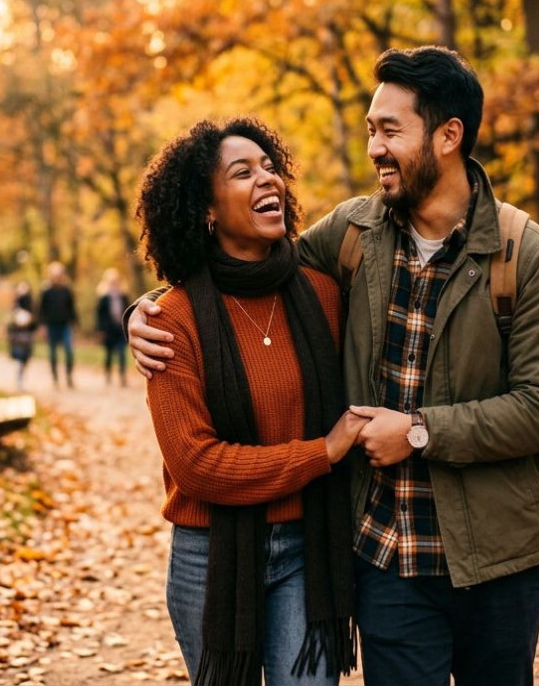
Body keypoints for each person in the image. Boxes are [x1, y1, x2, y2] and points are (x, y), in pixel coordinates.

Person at [129, 47, 539, 686]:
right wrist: (143, 311)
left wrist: (418, 432)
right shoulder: (353, 234)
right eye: (371, 129)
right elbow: (239, 271)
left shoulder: (526, 254)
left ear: (449, 136)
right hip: (386, 555)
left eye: (390, 130)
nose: (375, 148)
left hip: (497, 558)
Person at [136, 117, 365, 686]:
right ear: (207, 210)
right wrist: (322, 453)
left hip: (308, 548)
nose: (269, 180)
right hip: (211, 557)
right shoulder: (173, 321)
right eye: (243, 172)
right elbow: (198, 467)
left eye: (271, 167)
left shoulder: (323, 293)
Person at [38, 261, 78, 388]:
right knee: (53, 353)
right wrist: (42, 326)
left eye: (59, 275)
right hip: (51, 326)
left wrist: (74, 324)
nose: (57, 277)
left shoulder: (66, 290)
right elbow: (41, 310)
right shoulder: (46, 291)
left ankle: (69, 375)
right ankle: (55, 377)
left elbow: (72, 308)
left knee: (68, 350)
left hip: (65, 324)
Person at [94, 268, 130, 387]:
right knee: (109, 354)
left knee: (121, 353)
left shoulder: (123, 296)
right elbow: (99, 315)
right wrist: (100, 330)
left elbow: (129, 311)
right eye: (111, 282)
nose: (114, 284)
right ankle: (108, 374)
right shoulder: (103, 298)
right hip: (108, 330)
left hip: (120, 330)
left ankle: (122, 376)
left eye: (116, 281)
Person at [6, 296, 36, 392]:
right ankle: (19, 384)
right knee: (19, 366)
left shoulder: (29, 329)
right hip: (18, 351)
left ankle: (21, 383)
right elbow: (10, 340)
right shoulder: (13, 328)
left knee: (24, 366)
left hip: (26, 351)